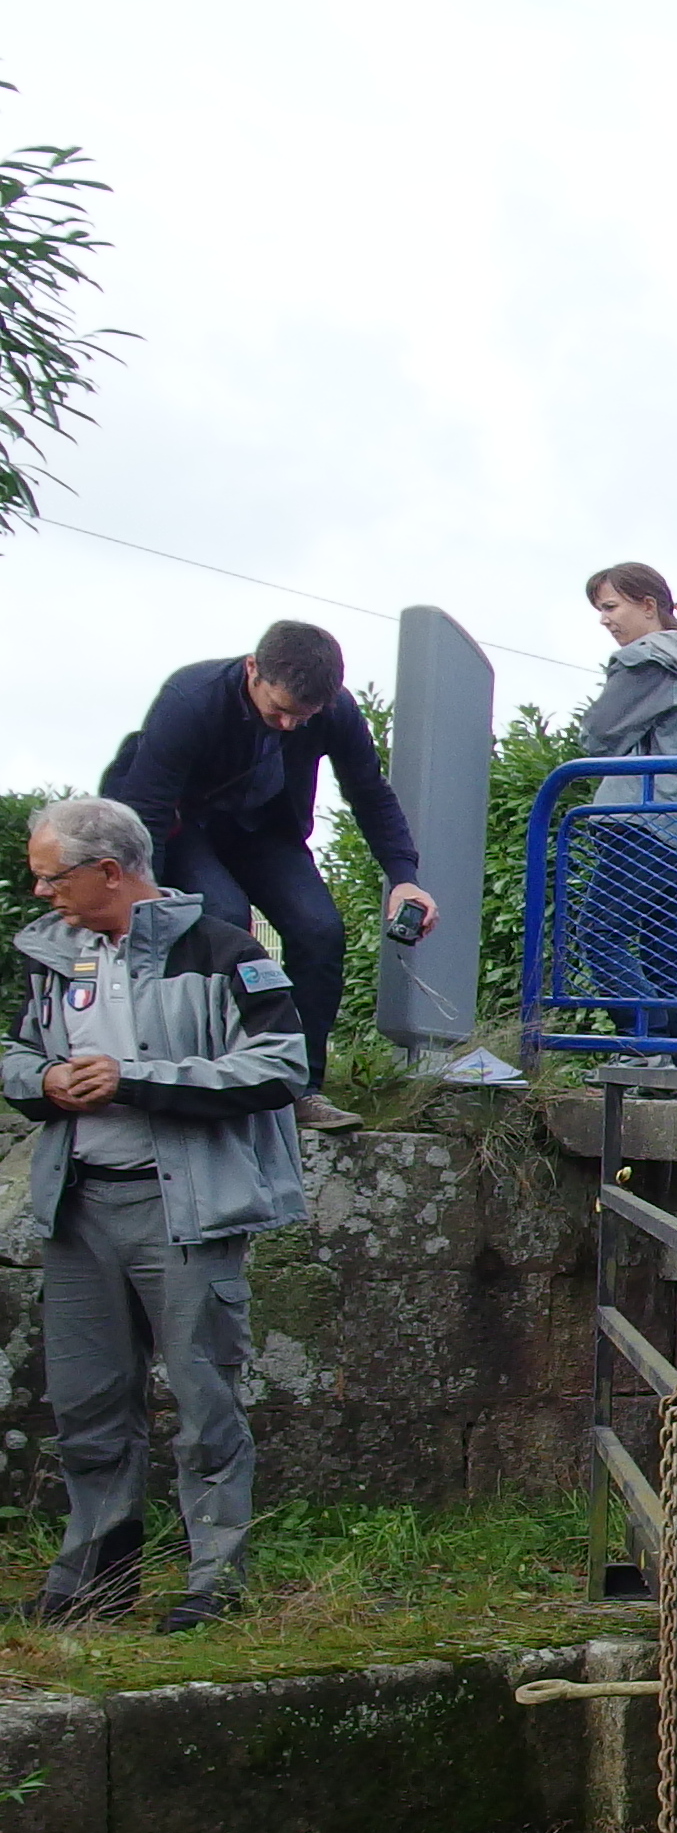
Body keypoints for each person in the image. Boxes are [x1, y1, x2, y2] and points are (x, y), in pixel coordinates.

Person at [5, 798, 311, 1630]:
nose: (40, 893)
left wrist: (136, 1080)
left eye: (52, 876)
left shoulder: (225, 949)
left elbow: (282, 1067)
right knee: (88, 1403)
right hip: (80, 1210)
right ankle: (98, 1580)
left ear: (110, 871)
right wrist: (42, 1083)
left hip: (188, 1212)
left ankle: (214, 1584)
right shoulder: (48, 958)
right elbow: (15, 1050)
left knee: (207, 1405)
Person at [101, 619, 439, 1131]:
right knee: (224, 918)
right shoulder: (191, 698)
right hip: (182, 825)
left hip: (265, 831)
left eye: (302, 718)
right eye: (279, 710)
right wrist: (146, 903)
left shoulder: (335, 711)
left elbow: (369, 794)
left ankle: (300, 1089)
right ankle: (220, 1077)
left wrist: (404, 876)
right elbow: (146, 806)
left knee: (320, 930)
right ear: (252, 669)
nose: (287, 725)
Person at [572, 563, 677, 1048]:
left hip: (644, 821)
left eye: (611, 606)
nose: (604, 620)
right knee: (668, 953)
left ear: (648, 605)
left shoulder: (647, 660)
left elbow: (596, 737)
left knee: (600, 933)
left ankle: (647, 1046)